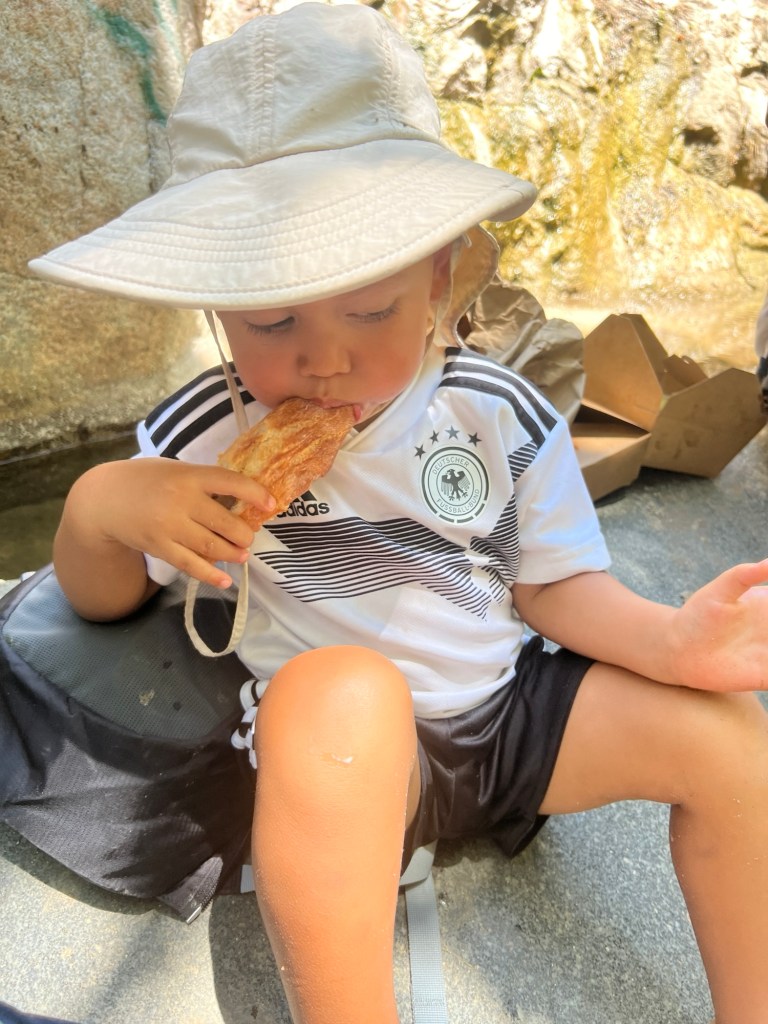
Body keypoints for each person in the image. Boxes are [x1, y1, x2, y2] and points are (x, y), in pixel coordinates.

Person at [28, 5, 768, 1023]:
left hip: (505, 720)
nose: (323, 356)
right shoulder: (203, 430)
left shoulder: (494, 411)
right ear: (214, 309)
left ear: (436, 274)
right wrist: (109, 507)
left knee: (729, 737)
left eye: (368, 311)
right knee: (341, 695)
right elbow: (98, 595)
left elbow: (551, 584)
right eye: (272, 320)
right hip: (334, 766)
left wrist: (673, 639)